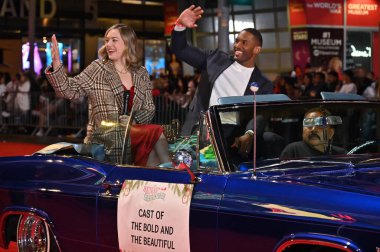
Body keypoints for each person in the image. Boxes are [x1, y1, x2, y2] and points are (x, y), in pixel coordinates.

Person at [45, 24, 171, 166]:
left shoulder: (141, 73)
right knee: (156, 132)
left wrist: (132, 121)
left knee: (152, 152)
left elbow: (149, 108)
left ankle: (158, 182)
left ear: (127, 42)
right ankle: (173, 172)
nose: (109, 44)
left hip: (134, 135)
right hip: (105, 138)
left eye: (114, 40)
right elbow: (68, 90)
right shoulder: (98, 68)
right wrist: (56, 66)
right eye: (107, 40)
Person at [171, 5, 273, 139]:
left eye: (244, 42)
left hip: (228, 139)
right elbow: (181, 49)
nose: (237, 45)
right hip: (196, 130)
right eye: (237, 41)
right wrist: (180, 26)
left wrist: (249, 134)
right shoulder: (214, 59)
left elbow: (259, 116)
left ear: (257, 50)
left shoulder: (263, 84)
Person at [280, 107, 345, 159]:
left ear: (331, 133)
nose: (314, 129)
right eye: (309, 124)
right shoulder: (292, 151)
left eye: (320, 125)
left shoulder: (341, 154)